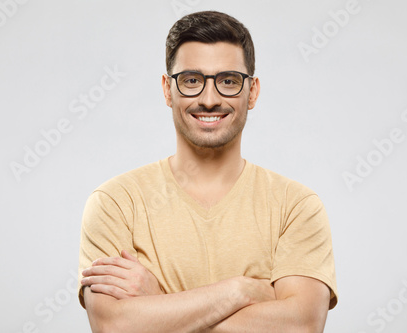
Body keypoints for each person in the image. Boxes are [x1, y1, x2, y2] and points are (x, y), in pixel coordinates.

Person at [78, 10, 338, 332]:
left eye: (228, 81)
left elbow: (301, 325)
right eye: (192, 81)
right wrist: (240, 290)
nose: (210, 99)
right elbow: (113, 326)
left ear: (252, 91)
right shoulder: (115, 203)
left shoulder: (296, 206)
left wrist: (160, 300)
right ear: (167, 90)